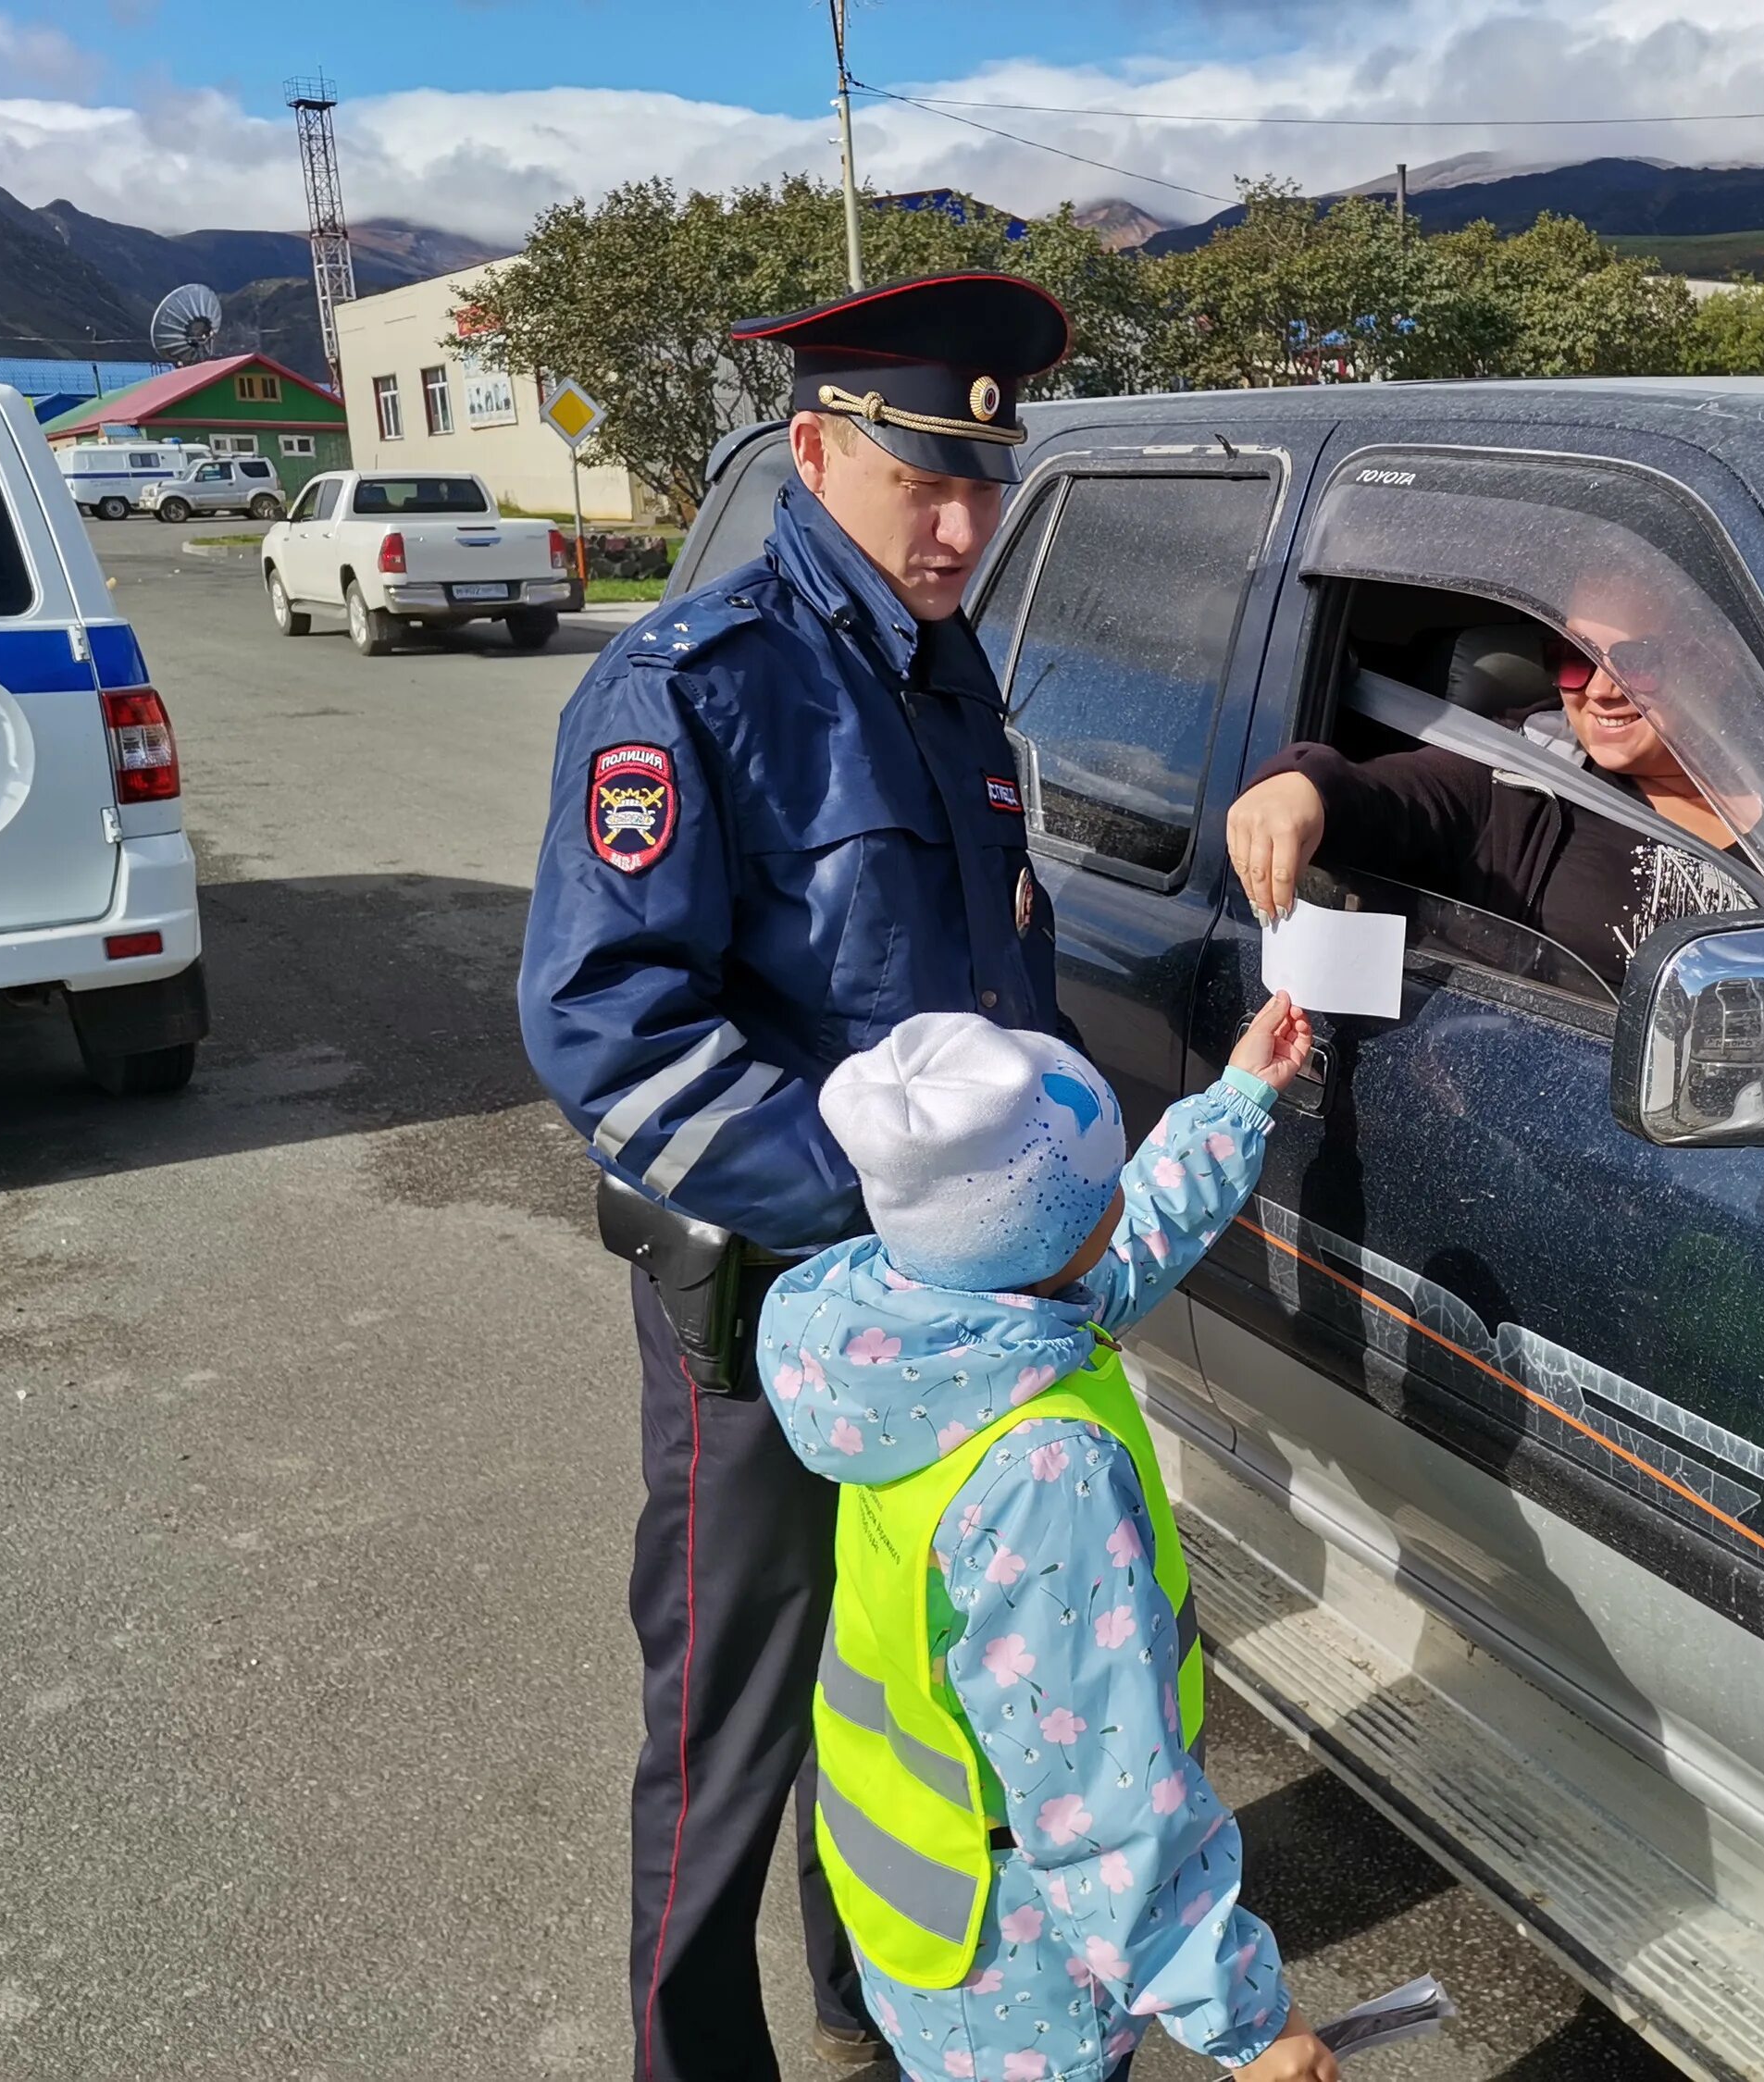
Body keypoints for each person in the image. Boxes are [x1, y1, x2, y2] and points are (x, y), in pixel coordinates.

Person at [516, 271, 1075, 2082]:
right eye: (924, 478)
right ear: (818, 450)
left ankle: (877, 1996)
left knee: (901, 1682)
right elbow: (606, 1023)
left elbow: (999, 969)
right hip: (761, 1311)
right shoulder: (697, 683)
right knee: (726, 1719)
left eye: (986, 483)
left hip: (941, 1315)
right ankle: (695, 2054)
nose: (963, 521)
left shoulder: (948, 678)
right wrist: (872, 1213)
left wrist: (1036, 1183)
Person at [753, 996, 1341, 2082]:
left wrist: (1241, 1098)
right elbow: (1102, 1793)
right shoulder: (1044, 1472)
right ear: (1059, 1230)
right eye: (1104, 1183)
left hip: (910, 1891)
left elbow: (1121, 1247)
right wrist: (1250, 2023)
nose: (1122, 1197)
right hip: (1015, 1957)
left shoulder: (912, 1339)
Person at [1225, 594, 1755, 986]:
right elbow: (1388, 797)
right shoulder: (1518, 778)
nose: (1599, 690)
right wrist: (1299, 784)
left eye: (1638, 663)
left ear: (1717, 662)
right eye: (1575, 657)